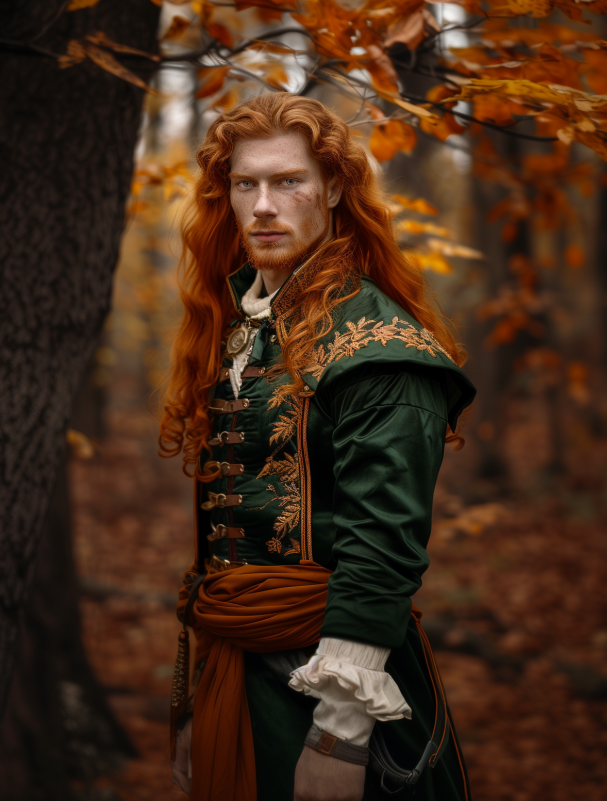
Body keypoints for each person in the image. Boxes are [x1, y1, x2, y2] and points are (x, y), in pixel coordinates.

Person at [160, 93, 476, 801]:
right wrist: (195, 704)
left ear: (333, 188)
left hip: (334, 700)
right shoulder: (243, 327)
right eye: (246, 184)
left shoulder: (380, 350)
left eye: (288, 181)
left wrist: (338, 736)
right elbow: (222, 545)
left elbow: (383, 553)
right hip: (236, 679)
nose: (263, 206)